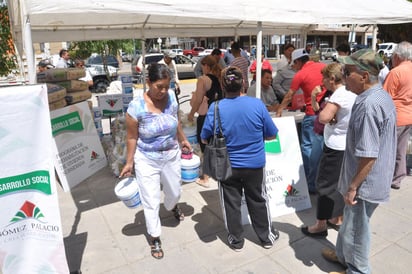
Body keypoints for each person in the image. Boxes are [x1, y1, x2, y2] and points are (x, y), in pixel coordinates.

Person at [322, 49, 397, 274]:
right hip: (366, 177)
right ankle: (343, 255)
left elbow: (369, 153)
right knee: (350, 224)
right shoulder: (375, 95)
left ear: (364, 76)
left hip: (364, 183)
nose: (344, 76)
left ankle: (356, 269)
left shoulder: (368, 105)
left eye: (348, 72)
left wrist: (353, 186)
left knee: (357, 230)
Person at [201, 66, 279, 251]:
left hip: (227, 166)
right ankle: (266, 237)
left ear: (222, 85)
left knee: (231, 204)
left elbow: (204, 137)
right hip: (255, 165)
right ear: (243, 83)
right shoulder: (257, 104)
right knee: (259, 200)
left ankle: (236, 241)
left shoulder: (216, 107)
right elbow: (271, 135)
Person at [119, 63, 192, 260]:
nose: (162, 91)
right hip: (146, 159)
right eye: (158, 86)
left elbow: (175, 122)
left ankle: (172, 205)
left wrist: (183, 139)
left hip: (171, 155)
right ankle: (155, 236)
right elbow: (132, 137)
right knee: (150, 199)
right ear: (148, 82)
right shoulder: (136, 107)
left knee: (175, 191)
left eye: (166, 86)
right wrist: (129, 162)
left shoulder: (171, 100)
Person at [301, 63, 356, 237]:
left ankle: (320, 224)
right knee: (339, 183)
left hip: (335, 146)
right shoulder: (351, 91)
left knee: (324, 185)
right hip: (347, 144)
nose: (322, 81)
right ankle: (336, 218)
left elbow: (323, 117)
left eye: (324, 78)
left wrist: (326, 113)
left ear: (332, 79)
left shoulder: (339, 94)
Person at [276, 48, 326, 194]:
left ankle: (310, 184)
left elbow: (289, 95)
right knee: (322, 150)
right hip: (329, 115)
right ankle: (319, 181)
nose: (292, 66)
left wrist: (279, 110)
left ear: (298, 61)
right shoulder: (323, 67)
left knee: (308, 149)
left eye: (293, 63)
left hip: (312, 115)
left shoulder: (301, 74)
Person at [187, 55, 223, 187]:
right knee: (217, 144)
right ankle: (218, 172)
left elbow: (198, 100)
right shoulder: (220, 78)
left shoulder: (203, 80)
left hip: (206, 117)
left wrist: (191, 114)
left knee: (205, 146)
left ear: (206, 66)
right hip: (219, 116)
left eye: (202, 66)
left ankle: (205, 178)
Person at [383, 41, 412, 190]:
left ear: (398, 56)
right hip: (409, 115)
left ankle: (386, 177)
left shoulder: (396, 72)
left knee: (388, 149)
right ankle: (398, 178)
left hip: (396, 116)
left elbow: (385, 97)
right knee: (401, 149)